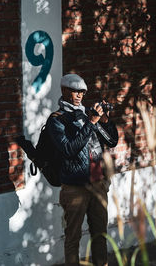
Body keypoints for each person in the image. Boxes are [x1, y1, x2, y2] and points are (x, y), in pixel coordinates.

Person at [46, 73, 119, 266]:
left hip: (98, 184)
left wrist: (105, 121)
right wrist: (91, 122)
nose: (79, 95)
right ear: (64, 90)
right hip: (74, 187)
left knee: (100, 234)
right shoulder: (57, 120)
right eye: (75, 90)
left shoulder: (88, 114)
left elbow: (112, 141)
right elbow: (69, 149)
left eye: (82, 92)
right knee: (73, 237)